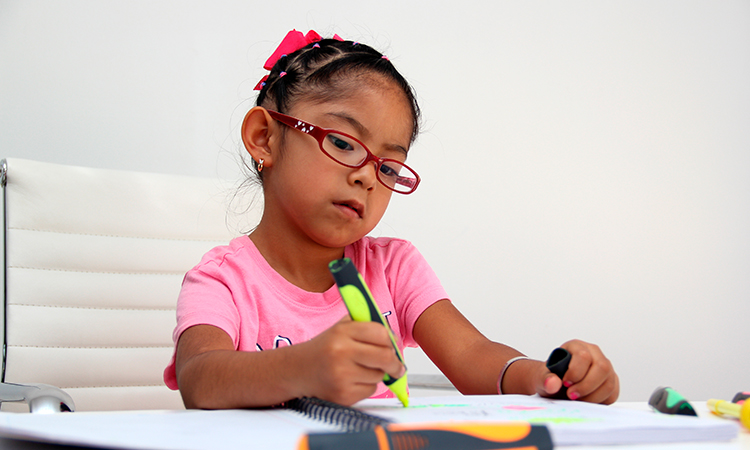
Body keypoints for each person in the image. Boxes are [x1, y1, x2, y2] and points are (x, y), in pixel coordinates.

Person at [163, 29, 619, 409]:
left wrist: (548, 378)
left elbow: (474, 355)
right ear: (264, 138)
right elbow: (201, 378)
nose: (367, 178)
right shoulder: (221, 281)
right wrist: (302, 368)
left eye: (388, 167)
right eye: (343, 143)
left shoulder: (394, 269)